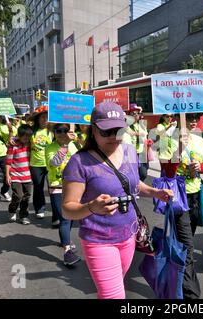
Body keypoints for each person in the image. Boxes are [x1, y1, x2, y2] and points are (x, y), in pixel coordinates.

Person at [62, 102, 173, 299]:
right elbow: (68, 209)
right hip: (98, 240)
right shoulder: (79, 162)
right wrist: (91, 207)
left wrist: (155, 192)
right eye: (107, 132)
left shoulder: (130, 151)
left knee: (112, 289)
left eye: (119, 130)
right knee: (114, 296)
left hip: (129, 235)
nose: (114, 137)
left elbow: (134, 183)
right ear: (93, 130)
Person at [45, 123, 81, 266]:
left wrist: (78, 142)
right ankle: (67, 253)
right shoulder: (49, 148)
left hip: (73, 186)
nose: (61, 133)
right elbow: (54, 163)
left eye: (64, 130)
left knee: (71, 218)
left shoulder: (74, 146)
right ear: (53, 132)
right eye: (58, 130)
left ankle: (64, 239)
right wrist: (65, 145)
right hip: (57, 187)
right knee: (65, 218)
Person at [29, 106, 54, 221]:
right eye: (42, 117)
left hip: (51, 164)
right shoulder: (31, 131)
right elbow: (22, 140)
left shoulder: (54, 131)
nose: (45, 120)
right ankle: (39, 209)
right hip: (35, 165)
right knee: (38, 187)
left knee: (53, 189)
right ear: (38, 119)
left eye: (47, 118)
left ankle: (56, 211)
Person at [6, 124, 34, 225]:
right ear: (19, 135)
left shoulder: (31, 144)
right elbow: (8, 162)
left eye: (28, 136)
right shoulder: (13, 145)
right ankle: (12, 209)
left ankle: (23, 216)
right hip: (15, 175)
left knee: (26, 196)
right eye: (24, 136)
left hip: (27, 176)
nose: (26, 138)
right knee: (18, 195)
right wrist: (7, 175)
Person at [125, 105, 149, 181]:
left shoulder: (141, 125)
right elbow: (130, 132)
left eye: (137, 113)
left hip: (141, 153)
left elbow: (145, 136)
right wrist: (138, 134)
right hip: (131, 153)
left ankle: (139, 187)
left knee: (143, 174)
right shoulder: (126, 125)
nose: (136, 115)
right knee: (132, 173)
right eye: (133, 113)